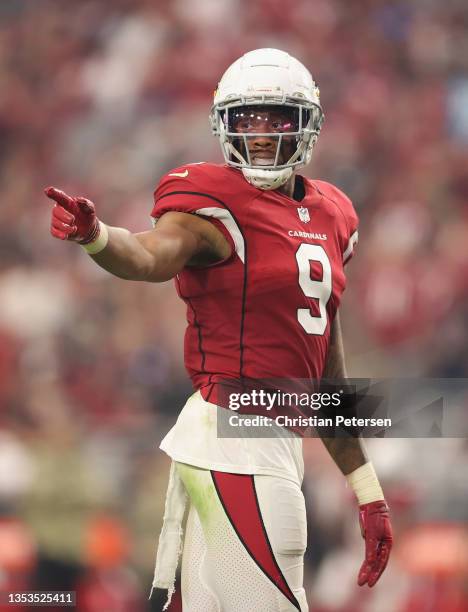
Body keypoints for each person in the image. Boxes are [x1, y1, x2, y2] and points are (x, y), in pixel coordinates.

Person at [45, 48, 393, 612]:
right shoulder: (211, 198)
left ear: (306, 124)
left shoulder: (334, 212)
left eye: (275, 117)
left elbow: (325, 371)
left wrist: (367, 492)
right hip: (235, 434)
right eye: (246, 119)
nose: (260, 134)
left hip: (272, 440)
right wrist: (99, 236)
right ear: (223, 125)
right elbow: (151, 256)